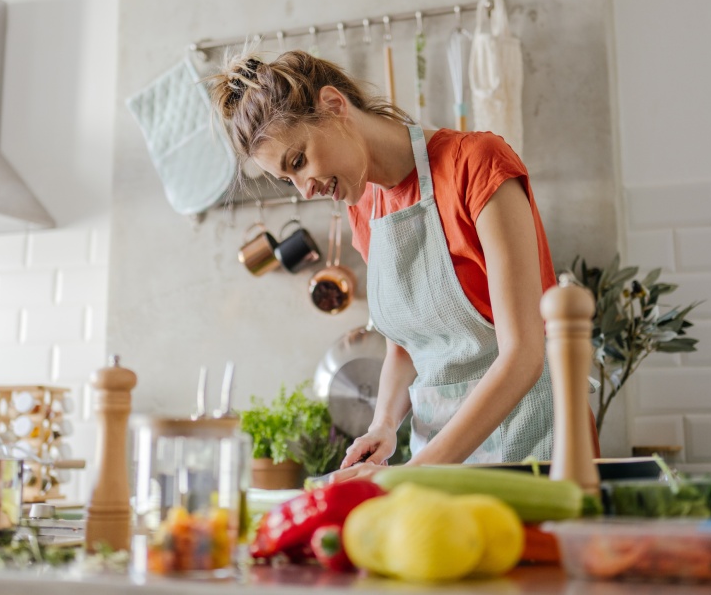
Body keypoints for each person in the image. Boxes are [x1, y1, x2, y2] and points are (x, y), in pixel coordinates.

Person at [209, 50, 588, 481]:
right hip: (436, 467)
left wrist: (412, 473)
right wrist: (384, 425)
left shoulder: (477, 166)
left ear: (334, 106)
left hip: (531, 453)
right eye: (287, 180)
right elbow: (404, 345)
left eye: (299, 162)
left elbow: (524, 355)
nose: (304, 190)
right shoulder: (363, 209)